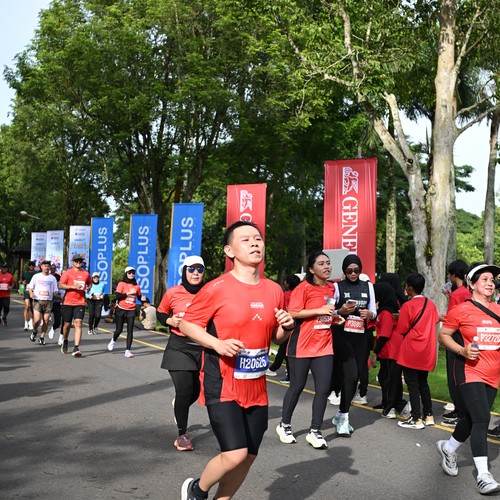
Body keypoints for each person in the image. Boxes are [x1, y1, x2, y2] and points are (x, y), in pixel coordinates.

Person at [179, 221, 294, 500]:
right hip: (222, 381)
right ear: (229, 251)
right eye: (246, 239)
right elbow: (187, 324)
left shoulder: (274, 290)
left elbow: (275, 337)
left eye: (258, 238)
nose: (255, 243)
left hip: (256, 385)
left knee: (249, 456)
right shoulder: (216, 288)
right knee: (235, 454)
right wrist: (217, 343)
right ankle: (197, 490)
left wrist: (288, 327)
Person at [437, 263, 500, 495]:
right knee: (482, 419)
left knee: (473, 418)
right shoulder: (461, 310)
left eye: (492, 280)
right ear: (472, 284)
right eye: (485, 279)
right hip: (470, 370)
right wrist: (462, 351)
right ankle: (483, 476)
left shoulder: (498, 309)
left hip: (493, 374)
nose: (490, 283)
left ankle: (448, 448)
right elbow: (443, 335)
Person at [276, 251, 344, 449]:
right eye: (321, 264)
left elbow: (326, 314)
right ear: (312, 269)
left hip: (324, 345)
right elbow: (292, 312)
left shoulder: (331, 287)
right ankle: (284, 425)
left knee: (323, 390)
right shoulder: (303, 288)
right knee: (297, 387)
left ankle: (315, 431)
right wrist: (319, 310)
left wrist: (334, 318)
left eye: (328, 263)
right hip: (302, 345)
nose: (327, 266)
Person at [157, 256, 206, 452]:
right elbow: (161, 312)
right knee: (185, 390)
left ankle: (179, 403)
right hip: (179, 346)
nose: (195, 273)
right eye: (191, 269)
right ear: (184, 271)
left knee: (197, 390)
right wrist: (170, 321)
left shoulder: (210, 292)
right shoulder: (173, 292)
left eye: (200, 269)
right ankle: (182, 435)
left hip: (203, 347)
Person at [330, 254, 376, 436]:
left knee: (354, 376)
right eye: (349, 270)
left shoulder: (368, 286)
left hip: (361, 337)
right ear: (344, 270)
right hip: (342, 336)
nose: (353, 273)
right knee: (351, 375)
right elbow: (328, 312)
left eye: (356, 270)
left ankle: (341, 414)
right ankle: (344, 416)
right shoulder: (337, 287)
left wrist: (370, 314)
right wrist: (340, 311)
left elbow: (374, 311)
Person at [396, 273, 439, 429]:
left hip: (412, 349)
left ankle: (416, 418)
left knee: (412, 385)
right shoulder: (430, 304)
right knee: (423, 383)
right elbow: (434, 321)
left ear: (409, 288)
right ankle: (429, 415)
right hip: (427, 349)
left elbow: (402, 329)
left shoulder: (407, 306)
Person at [440, 259, 471, 426]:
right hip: (468, 336)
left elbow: (452, 318)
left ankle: (459, 411)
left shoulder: (458, 294)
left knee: (454, 375)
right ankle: (463, 409)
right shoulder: (469, 292)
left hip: (456, 336)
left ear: (452, 275)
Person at [266, 274, 301, 383]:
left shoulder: (285, 295)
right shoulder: (300, 294)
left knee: (285, 350)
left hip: (287, 325)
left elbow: (284, 310)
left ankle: (284, 373)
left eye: (286, 281)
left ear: (288, 284)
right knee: (288, 350)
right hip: (299, 325)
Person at [372, 282, 400, 412]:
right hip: (387, 350)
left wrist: (375, 352)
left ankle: (390, 406)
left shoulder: (387, 313)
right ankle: (386, 403)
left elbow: (385, 334)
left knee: (388, 379)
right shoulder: (385, 310)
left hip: (390, 351)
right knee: (384, 376)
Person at [107, 266, 146, 358]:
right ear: (126, 274)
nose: (131, 274)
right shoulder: (121, 284)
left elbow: (139, 297)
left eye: (133, 273)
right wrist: (127, 293)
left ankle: (128, 351)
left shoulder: (136, 286)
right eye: (129, 273)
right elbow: (117, 296)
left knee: (130, 331)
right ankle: (113, 341)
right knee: (119, 330)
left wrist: (142, 299)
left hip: (131, 310)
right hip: (121, 309)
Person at [58, 254, 92, 357]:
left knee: (78, 323)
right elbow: (60, 285)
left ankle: (76, 347)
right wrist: (73, 287)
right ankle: (65, 340)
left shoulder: (86, 274)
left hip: (80, 302)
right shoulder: (67, 273)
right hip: (68, 302)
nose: (78, 263)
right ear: (72, 262)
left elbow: (90, 283)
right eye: (76, 261)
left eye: (80, 261)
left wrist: (88, 288)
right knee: (67, 325)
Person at [27, 260, 59, 345]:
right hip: (38, 300)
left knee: (46, 320)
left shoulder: (52, 278)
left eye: (48, 266)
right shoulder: (36, 276)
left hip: (48, 301)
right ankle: (35, 331)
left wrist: (56, 292)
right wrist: (31, 292)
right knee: (37, 320)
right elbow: (30, 287)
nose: (47, 268)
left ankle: (42, 337)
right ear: (41, 267)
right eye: (45, 266)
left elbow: (55, 289)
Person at [21, 261, 37, 330]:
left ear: (34, 266)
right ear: (28, 266)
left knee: (32, 307)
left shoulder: (36, 274)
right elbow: (21, 280)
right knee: (27, 306)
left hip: (34, 292)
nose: (31, 266)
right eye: (30, 265)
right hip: (27, 291)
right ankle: (25, 323)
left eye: (32, 265)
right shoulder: (25, 273)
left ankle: (31, 321)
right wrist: (23, 282)